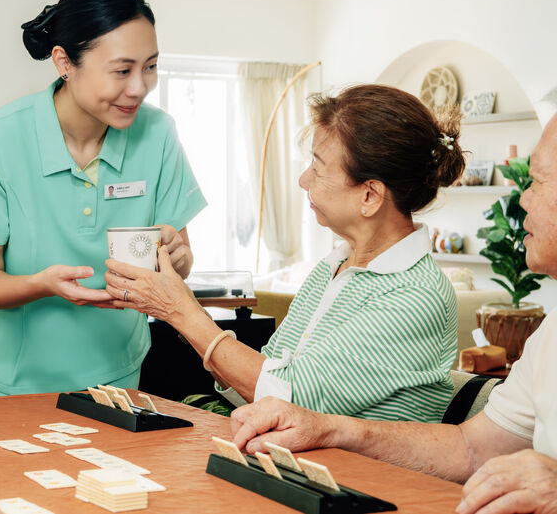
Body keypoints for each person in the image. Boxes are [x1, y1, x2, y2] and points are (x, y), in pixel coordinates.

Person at [229, 114, 557, 514]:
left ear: (370, 195)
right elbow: (472, 448)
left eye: (538, 181)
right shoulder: (550, 332)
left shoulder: (415, 292)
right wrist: (330, 428)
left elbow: (280, 388)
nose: (522, 199)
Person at [105, 85, 465, 422]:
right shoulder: (334, 268)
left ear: (369, 196)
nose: (303, 180)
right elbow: (268, 376)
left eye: (318, 167)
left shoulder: (416, 295)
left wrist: (181, 312)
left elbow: (289, 399)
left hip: (360, 484)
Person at [0, 0, 206, 396]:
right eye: (122, 70)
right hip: (13, 378)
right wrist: (42, 284)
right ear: (65, 62)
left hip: (117, 369)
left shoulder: (158, 135)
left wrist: (179, 257)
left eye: (151, 66)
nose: (139, 88)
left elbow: (179, 261)